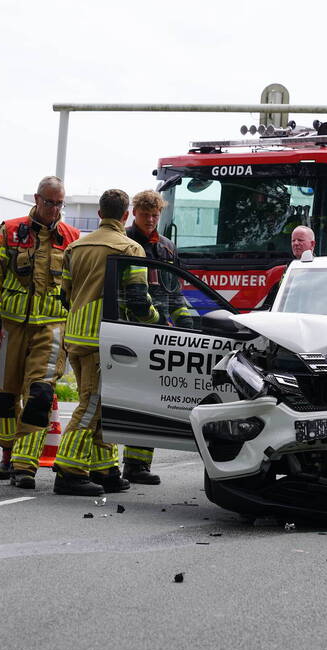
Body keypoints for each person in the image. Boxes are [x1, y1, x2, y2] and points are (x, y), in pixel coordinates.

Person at [51, 189, 159, 495]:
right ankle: (68, 471)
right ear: (125, 216)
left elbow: (65, 294)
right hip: (108, 338)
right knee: (92, 405)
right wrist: (156, 322)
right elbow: (138, 300)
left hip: (76, 336)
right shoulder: (130, 248)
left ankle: (104, 469)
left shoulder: (75, 247)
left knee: (103, 404)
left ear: (100, 213)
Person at [0, 176, 80, 489]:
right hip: (8, 327)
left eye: (59, 203)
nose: (54, 209)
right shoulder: (10, 230)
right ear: (37, 199)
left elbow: (77, 286)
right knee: (2, 399)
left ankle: (25, 466)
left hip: (52, 329)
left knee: (40, 396)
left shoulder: (72, 237)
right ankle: (8, 452)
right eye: (49, 202)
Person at [119, 190, 195, 485]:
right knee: (123, 396)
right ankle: (108, 464)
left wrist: (188, 324)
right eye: (145, 214)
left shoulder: (167, 248)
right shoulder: (125, 242)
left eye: (155, 215)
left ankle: (137, 465)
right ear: (134, 213)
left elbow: (176, 292)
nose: (150, 220)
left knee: (147, 397)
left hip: (159, 331)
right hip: (128, 328)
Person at [260, 225, 314, 309]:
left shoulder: (318, 268)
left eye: (300, 240)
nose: (295, 243)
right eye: (293, 241)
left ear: (312, 244)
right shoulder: (288, 267)